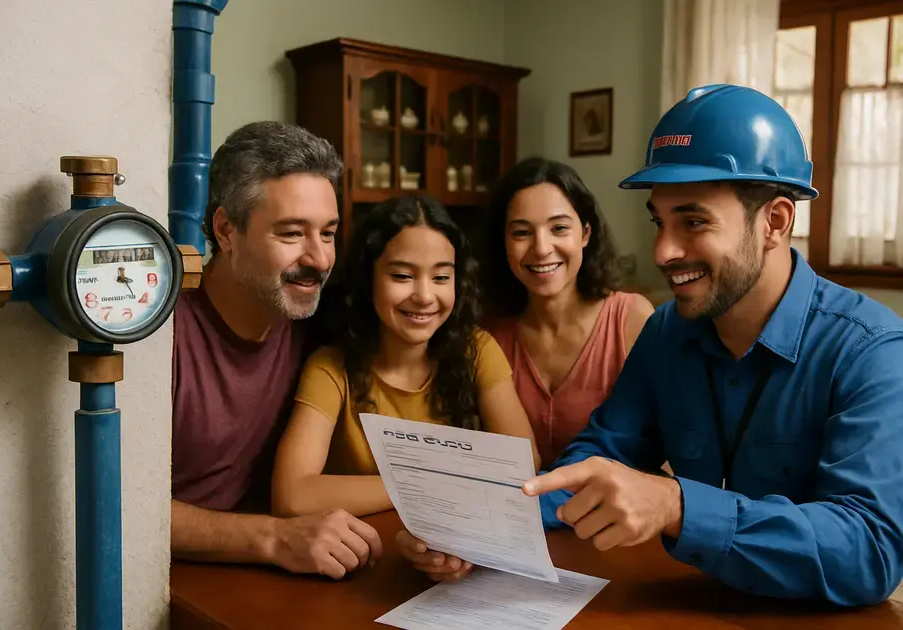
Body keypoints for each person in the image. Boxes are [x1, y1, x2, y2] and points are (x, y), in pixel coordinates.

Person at [402, 83, 903, 605]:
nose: (663, 251)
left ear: (775, 221)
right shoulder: (667, 332)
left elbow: (870, 551)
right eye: (658, 222)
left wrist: (676, 506)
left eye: (693, 222)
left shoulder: (872, 352)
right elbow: (599, 458)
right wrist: (473, 525)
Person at [171, 121, 383, 581]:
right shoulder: (165, 335)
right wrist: (273, 538)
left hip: (287, 574)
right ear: (226, 230)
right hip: (171, 584)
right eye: (291, 234)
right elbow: (119, 501)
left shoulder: (322, 321)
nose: (320, 259)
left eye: (328, 233)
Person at [271, 194, 540, 521]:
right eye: (402, 276)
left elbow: (525, 464)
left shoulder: (477, 350)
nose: (425, 296)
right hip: (365, 545)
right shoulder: (330, 368)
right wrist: (429, 483)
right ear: (367, 279)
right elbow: (292, 495)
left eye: (441, 277)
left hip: (456, 540)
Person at [481, 157, 655, 465]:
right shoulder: (487, 333)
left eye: (559, 228)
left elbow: (668, 450)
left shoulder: (632, 319)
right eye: (521, 232)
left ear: (585, 233)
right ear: (503, 242)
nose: (541, 248)